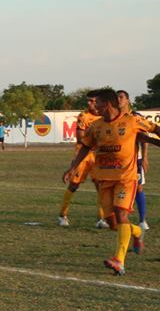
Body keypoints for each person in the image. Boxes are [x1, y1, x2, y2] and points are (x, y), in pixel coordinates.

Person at [64, 89, 160, 275]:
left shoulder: (132, 120)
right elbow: (85, 146)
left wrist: (151, 140)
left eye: (97, 102)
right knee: (113, 223)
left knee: (121, 213)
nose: (94, 106)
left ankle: (119, 261)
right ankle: (137, 232)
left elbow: (155, 129)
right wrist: (73, 167)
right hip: (104, 179)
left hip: (126, 178)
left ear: (107, 103)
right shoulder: (96, 126)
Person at [58, 93, 108, 228]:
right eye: (88, 101)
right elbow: (81, 138)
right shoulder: (83, 116)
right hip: (84, 155)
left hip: (98, 156)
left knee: (100, 186)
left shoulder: (105, 117)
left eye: (92, 101)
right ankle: (63, 215)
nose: (89, 103)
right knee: (74, 185)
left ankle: (101, 218)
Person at [119, 90, 150, 233]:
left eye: (121, 97)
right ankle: (109, 218)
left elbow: (144, 139)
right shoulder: (113, 118)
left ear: (128, 100)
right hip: (116, 162)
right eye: (116, 98)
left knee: (138, 188)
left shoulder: (136, 117)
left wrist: (144, 158)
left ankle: (142, 220)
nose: (118, 100)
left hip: (134, 160)